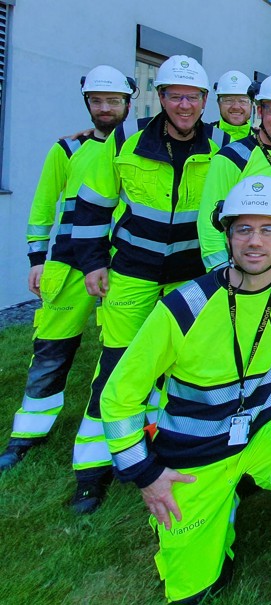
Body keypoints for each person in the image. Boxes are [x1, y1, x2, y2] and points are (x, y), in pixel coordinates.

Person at [101, 177, 271, 604]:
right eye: (243, 229)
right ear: (225, 234)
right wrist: (147, 475)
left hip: (263, 431)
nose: (255, 242)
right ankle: (213, 523)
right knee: (193, 591)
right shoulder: (183, 307)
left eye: (269, 230)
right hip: (196, 454)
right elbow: (118, 396)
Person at [72, 55, 221, 513]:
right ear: (160, 97)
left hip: (188, 276)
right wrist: (93, 262)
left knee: (175, 367)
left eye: (193, 97)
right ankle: (93, 471)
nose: (184, 105)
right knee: (117, 365)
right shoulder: (123, 137)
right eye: (175, 95)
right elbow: (92, 207)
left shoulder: (220, 144)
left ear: (203, 101)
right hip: (133, 272)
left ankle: (152, 451)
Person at [0, 66, 136, 479]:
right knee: (53, 349)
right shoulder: (68, 149)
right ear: (87, 104)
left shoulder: (137, 147)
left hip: (120, 262)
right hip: (69, 261)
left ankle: (110, 432)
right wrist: (36, 259)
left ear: (128, 104)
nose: (106, 108)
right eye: (98, 101)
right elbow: (44, 205)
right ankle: (27, 435)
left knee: (118, 352)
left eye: (114, 101)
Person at [198, 72, 271, 272]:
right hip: (251, 263)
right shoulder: (233, 158)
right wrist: (220, 270)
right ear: (260, 110)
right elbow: (209, 220)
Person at [208, 70, 253, 141]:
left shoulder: (262, 139)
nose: (236, 107)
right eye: (228, 100)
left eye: (242, 101)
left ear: (251, 105)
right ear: (219, 103)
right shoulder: (203, 136)